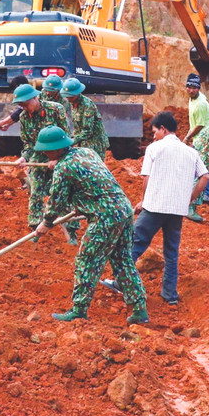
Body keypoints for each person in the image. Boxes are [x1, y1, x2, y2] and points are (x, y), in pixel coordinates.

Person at [33, 126, 149, 324]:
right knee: (122, 260)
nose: (44, 153)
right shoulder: (87, 151)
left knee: (87, 260)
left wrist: (46, 223)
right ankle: (139, 309)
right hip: (123, 209)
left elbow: (56, 201)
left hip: (105, 216)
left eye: (46, 150)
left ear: (56, 148)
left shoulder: (64, 167)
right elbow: (92, 180)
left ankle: (79, 309)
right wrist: (83, 203)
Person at [101, 111, 208, 306]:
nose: (154, 135)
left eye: (155, 131)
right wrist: (188, 200)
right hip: (177, 209)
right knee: (171, 252)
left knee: (132, 244)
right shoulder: (191, 152)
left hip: (155, 206)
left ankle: (120, 283)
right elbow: (205, 177)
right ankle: (170, 296)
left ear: (163, 129)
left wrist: (143, 200)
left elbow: (146, 178)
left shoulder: (154, 148)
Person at [10, 84, 68, 232]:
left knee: (61, 190)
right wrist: (24, 158)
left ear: (35, 98)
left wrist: (58, 158)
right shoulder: (23, 118)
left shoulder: (55, 109)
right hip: (39, 157)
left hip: (59, 156)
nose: (24, 108)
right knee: (36, 190)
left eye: (26, 104)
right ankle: (35, 226)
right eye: (21, 105)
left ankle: (70, 224)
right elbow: (29, 144)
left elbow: (65, 137)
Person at [0, 74, 66, 131]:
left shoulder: (61, 103)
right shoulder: (41, 95)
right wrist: (7, 124)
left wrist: (1, 123)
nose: (49, 92)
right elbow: (19, 113)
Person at [61, 77, 108, 159]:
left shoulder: (87, 105)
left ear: (77, 93)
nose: (68, 99)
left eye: (70, 96)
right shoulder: (73, 103)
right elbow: (77, 126)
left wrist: (71, 141)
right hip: (83, 143)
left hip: (95, 144)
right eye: (67, 96)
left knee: (94, 169)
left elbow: (87, 131)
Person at [184, 73, 209, 204]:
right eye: (189, 87)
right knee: (198, 165)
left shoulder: (201, 104)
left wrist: (187, 137)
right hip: (197, 138)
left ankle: (206, 194)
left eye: (194, 88)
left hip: (204, 139)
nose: (191, 90)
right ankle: (200, 192)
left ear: (199, 88)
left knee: (202, 166)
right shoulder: (192, 99)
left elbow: (200, 125)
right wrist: (187, 137)